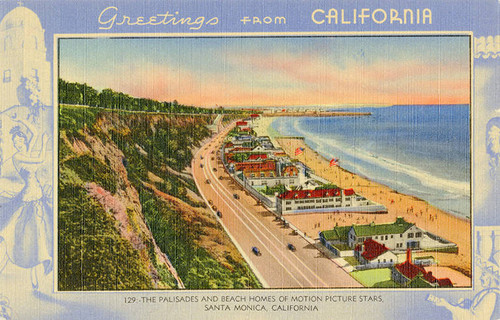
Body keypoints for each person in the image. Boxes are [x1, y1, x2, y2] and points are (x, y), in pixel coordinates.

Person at [0, 118, 51, 291]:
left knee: (37, 238)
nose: (18, 143)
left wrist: (20, 120)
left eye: (21, 140)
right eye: (16, 142)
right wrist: (44, 143)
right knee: (20, 236)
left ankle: (36, 280)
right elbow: (41, 159)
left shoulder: (26, 153)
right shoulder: (19, 157)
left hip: (37, 199)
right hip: (29, 200)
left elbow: (35, 132)